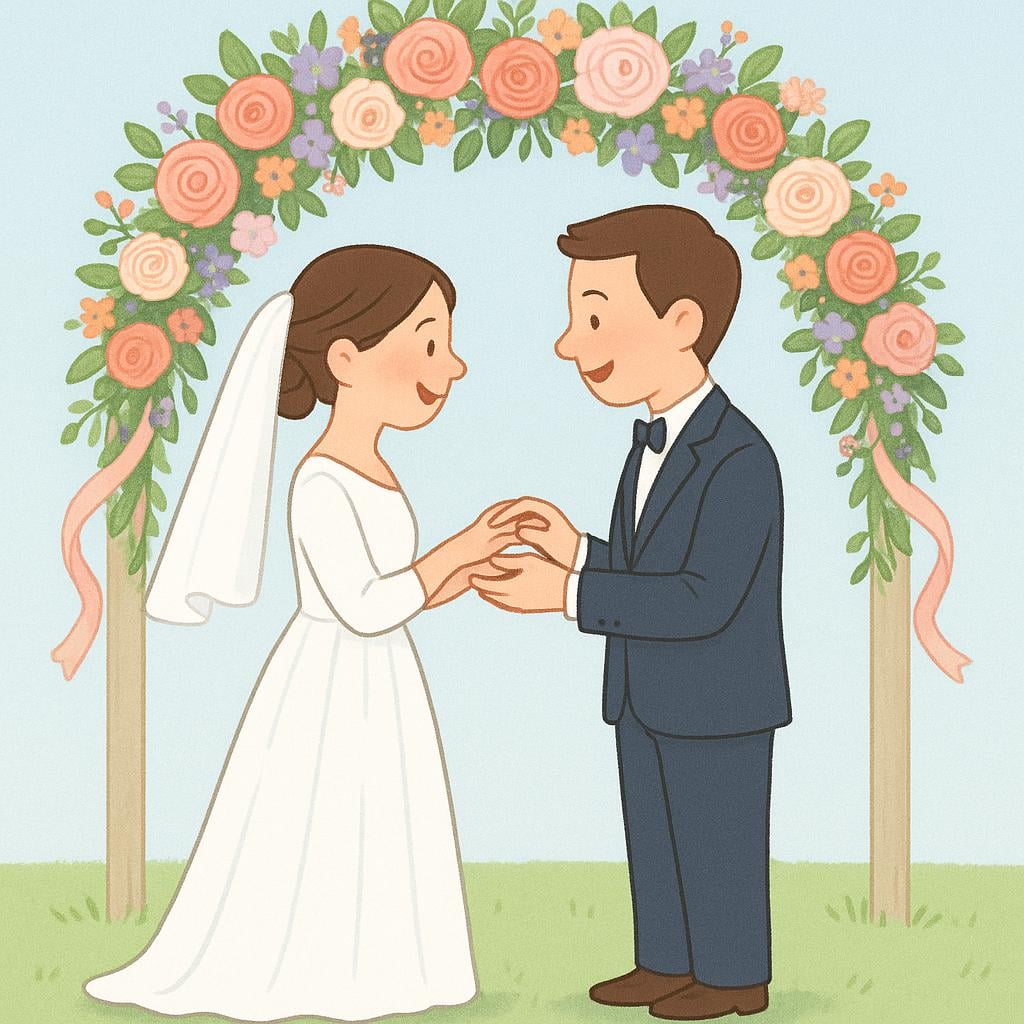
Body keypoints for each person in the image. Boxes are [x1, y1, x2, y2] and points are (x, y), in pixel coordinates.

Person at [84, 245, 518, 1022]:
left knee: (381, 818)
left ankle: (388, 965)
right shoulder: (320, 480)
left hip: (383, 672)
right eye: (428, 342)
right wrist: (452, 552)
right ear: (347, 358)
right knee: (326, 814)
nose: (450, 366)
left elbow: (395, 592)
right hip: (331, 680)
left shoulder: (376, 468)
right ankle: (319, 967)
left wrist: (474, 571)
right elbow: (361, 603)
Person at [472, 206, 792, 1021]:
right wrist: (576, 549)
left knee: (716, 837)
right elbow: (652, 568)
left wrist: (567, 595)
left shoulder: (741, 457)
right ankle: (666, 961)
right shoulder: (648, 440)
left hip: (719, 700)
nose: (569, 342)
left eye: (595, 317)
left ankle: (732, 976)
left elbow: (701, 597)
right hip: (645, 690)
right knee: (655, 835)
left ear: (682, 322)